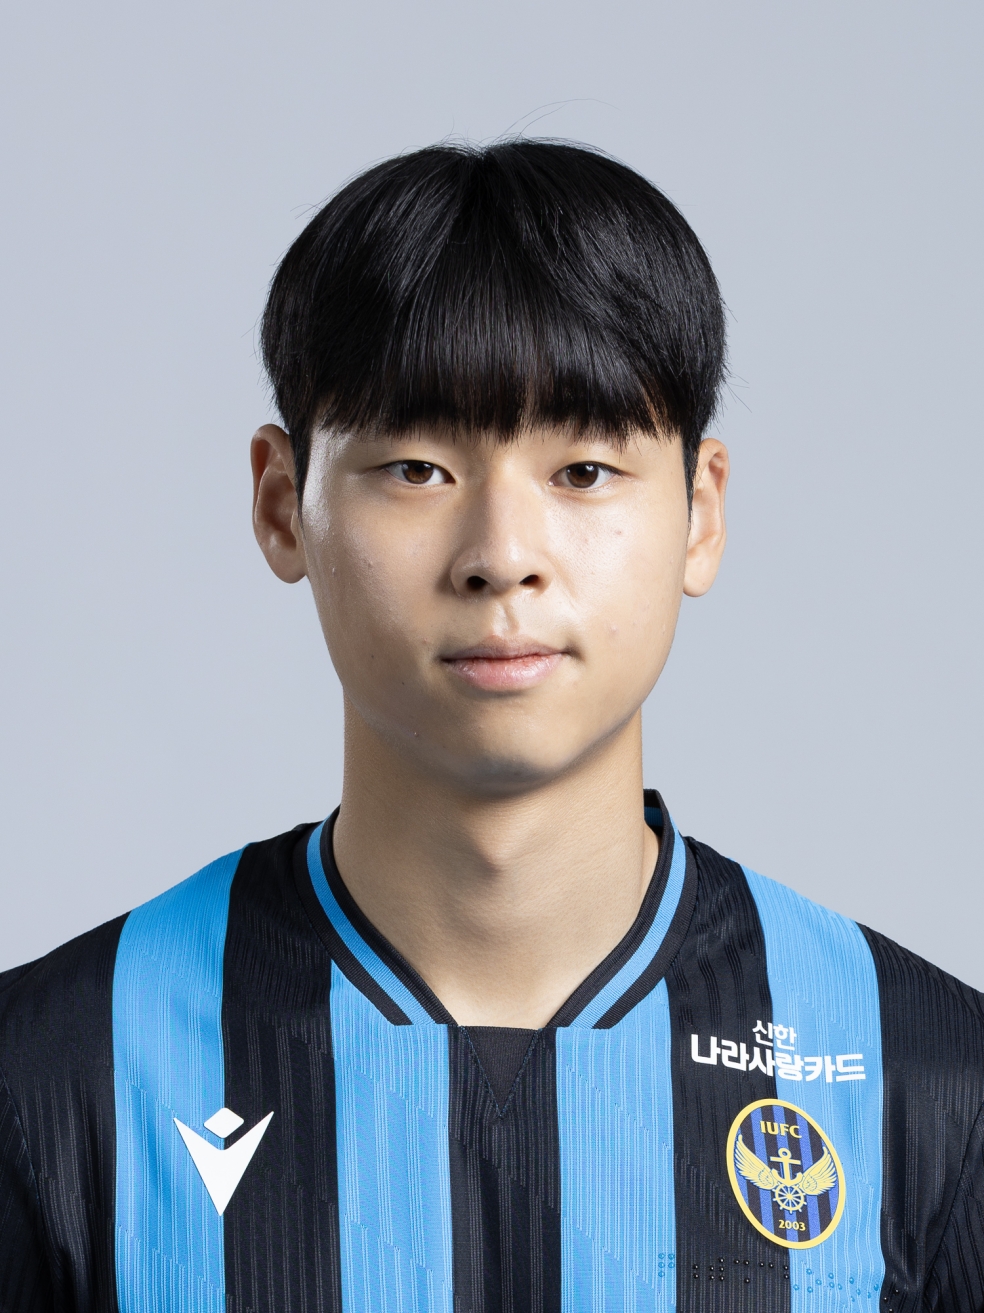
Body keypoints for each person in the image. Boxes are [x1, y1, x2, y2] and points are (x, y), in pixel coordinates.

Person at [0, 140, 981, 1313]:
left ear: (701, 511)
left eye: (584, 470)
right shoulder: (55, 1076)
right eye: (417, 468)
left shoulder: (927, 1079)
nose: (501, 556)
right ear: (281, 503)